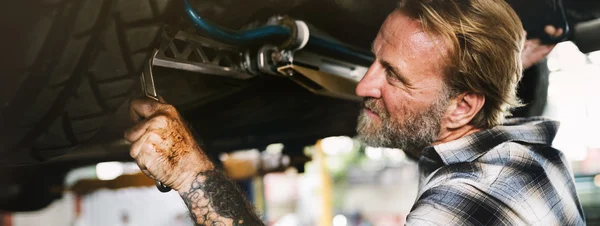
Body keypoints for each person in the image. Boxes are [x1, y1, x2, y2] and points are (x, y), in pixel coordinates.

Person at [124, 0, 585, 225]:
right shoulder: (538, 164)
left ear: (463, 106)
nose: (364, 85)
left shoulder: (465, 204)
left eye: (394, 75)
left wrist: (192, 173)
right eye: (374, 60)